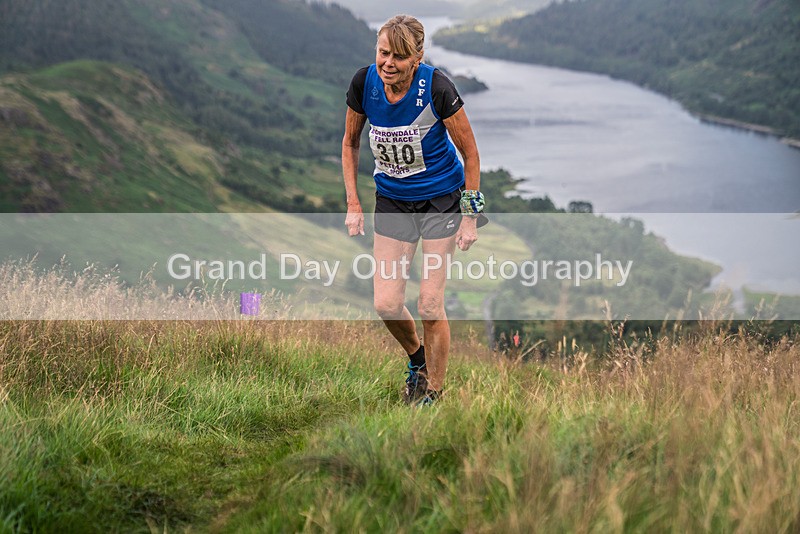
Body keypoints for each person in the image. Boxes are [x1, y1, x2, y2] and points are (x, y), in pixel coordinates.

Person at [341, 14, 485, 406]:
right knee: (386, 303)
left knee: (429, 304)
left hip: (441, 200)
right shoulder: (364, 82)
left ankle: (432, 393)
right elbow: (351, 142)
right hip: (391, 200)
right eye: (383, 53)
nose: (388, 63)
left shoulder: (436, 87)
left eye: (399, 57)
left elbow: (471, 154)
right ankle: (417, 361)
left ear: (417, 58)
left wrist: (469, 217)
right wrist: (353, 203)